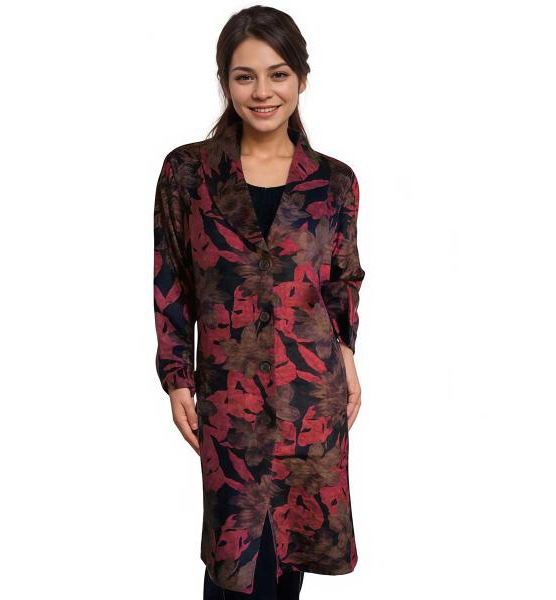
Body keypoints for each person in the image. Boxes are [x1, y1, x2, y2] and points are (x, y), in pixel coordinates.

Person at [153, 6, 365, 599]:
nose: (263, 92)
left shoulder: (334, 182)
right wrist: (176, 378)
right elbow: (172, 280)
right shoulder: (188, 173)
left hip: (310, 395)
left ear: (302, 78)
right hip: (231, 395)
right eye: (245, 76)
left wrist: (348, 355)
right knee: (235, 561)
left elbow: (342, 279)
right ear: (225, 81)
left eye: (278, 74)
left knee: (289, 556)